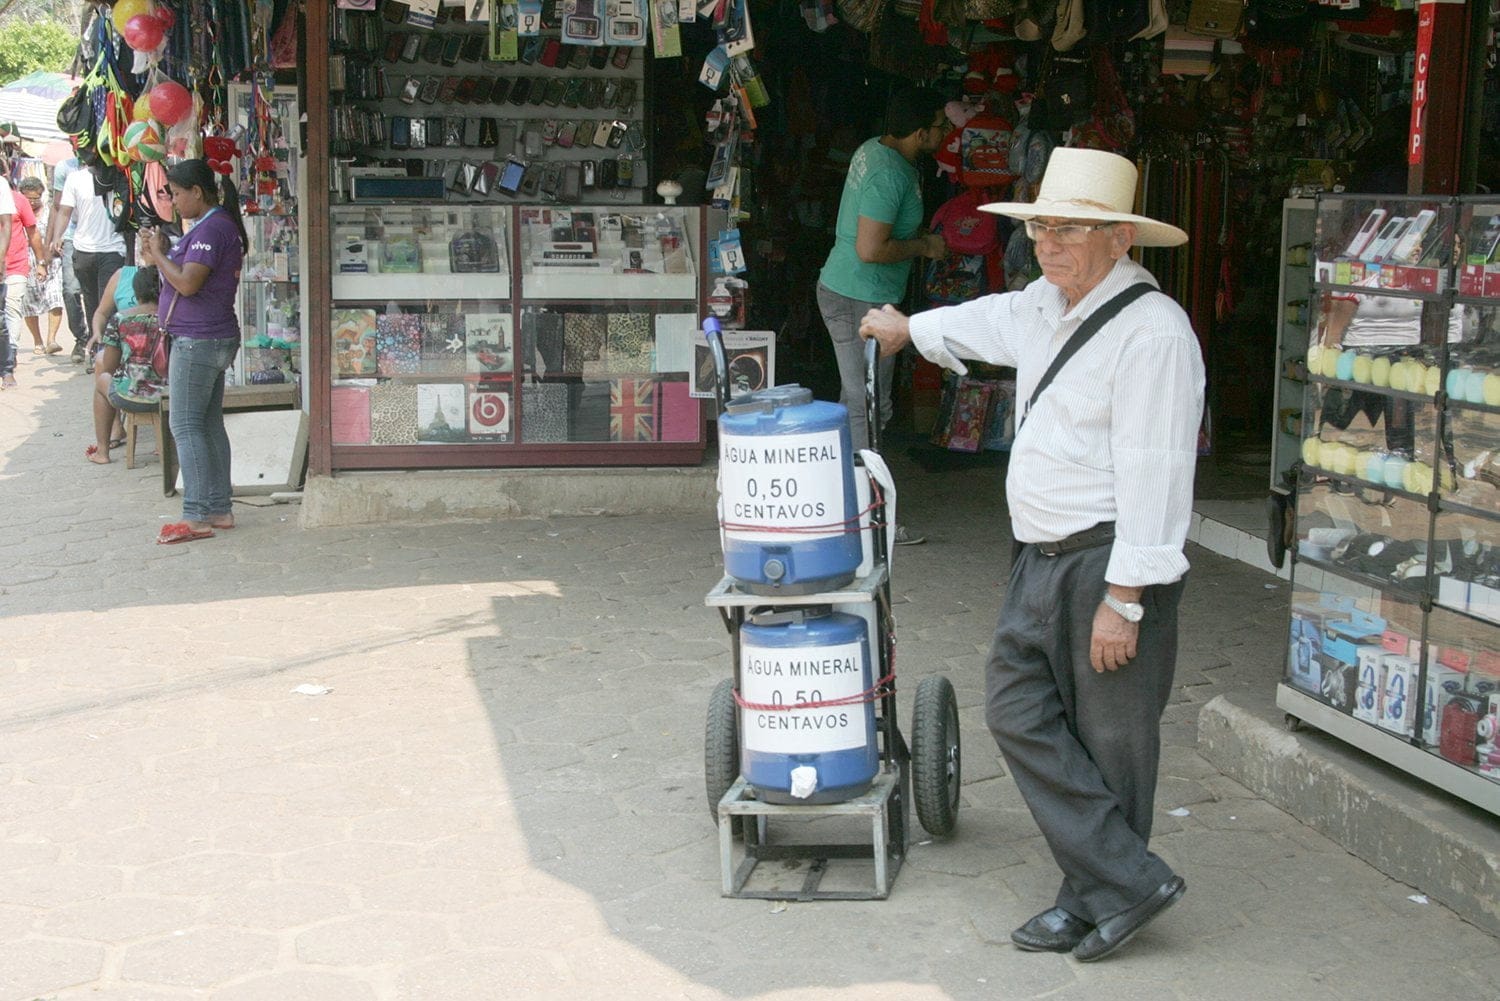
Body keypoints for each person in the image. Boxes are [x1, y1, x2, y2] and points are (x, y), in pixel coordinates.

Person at [860, 148, 1204, 962]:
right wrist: (909, 330)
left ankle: (1095, 896)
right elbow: (985, 320)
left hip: (1105, 566)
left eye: (1070, 228)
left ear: (1120, 239)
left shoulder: (1154, 334)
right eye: (1043, 225)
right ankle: (1124, 879)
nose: (1049, 243)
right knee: (1016, 710)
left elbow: (1159, 473)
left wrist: (1126, 599)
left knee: (1112, 743)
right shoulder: (1048, 305)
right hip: (1039, 560)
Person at [817, 86, 950, 545]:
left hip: (852, 292)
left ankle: (836, 502)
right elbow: (870, 248)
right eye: (938, 126)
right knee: (868, 406)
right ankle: (867, 520)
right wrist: (924, 246)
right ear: (919, 132)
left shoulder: (874, 149)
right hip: (859, 298)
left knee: (857, 402)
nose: (944, 132)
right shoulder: (889, 176)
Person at [138, 159, 248, 545]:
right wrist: (162, 253)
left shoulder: (212, 228)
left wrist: (159, 255)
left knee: (184, 425)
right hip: (211, 336)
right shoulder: (213, 227)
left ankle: (197, 514)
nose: (172, 201)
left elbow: (187, 284)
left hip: (198, 339)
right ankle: (218, 507)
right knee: (208, 422)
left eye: (176, 193)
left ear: (197, 192)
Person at [49, 159, 126, 365]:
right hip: (83, 249)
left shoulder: (119, 175)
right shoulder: (75, 178)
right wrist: (58, 236)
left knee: (108, 304)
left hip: (113, 248)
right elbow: (64, 211)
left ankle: (109, 353)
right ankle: (95, 349)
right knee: (91, 302)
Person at [88, 267, 163, 464]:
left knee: (102, 380)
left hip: (131, 396)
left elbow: (109, 367)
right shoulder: (172, 318)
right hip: (170, 395)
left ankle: (102, 451)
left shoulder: (121, 319)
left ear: (136, 293)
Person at [0, 159, 44, 389]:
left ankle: (10, 355)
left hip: (14, 264)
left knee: (10, 307)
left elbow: (32, 231)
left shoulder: (14, 197)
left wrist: (41, 261)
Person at [47, 155, 89, 362]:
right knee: (71, 290)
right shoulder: (65, 168)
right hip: (71, 237)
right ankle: (81, 338)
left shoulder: (105, 162)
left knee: (95, 292)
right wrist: (54, 238)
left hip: (99, 239)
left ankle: (97, 341)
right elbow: (58, 207)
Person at [18, 177, 65, 356]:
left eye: (36, 198)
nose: (32, 202)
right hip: (26, 262)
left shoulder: (49, 213)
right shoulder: (16, 212)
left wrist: (45, 260)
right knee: (29, 304)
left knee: (55, 299)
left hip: (50, 260)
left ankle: (51, 339)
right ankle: (37, 341)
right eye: (28, 198)